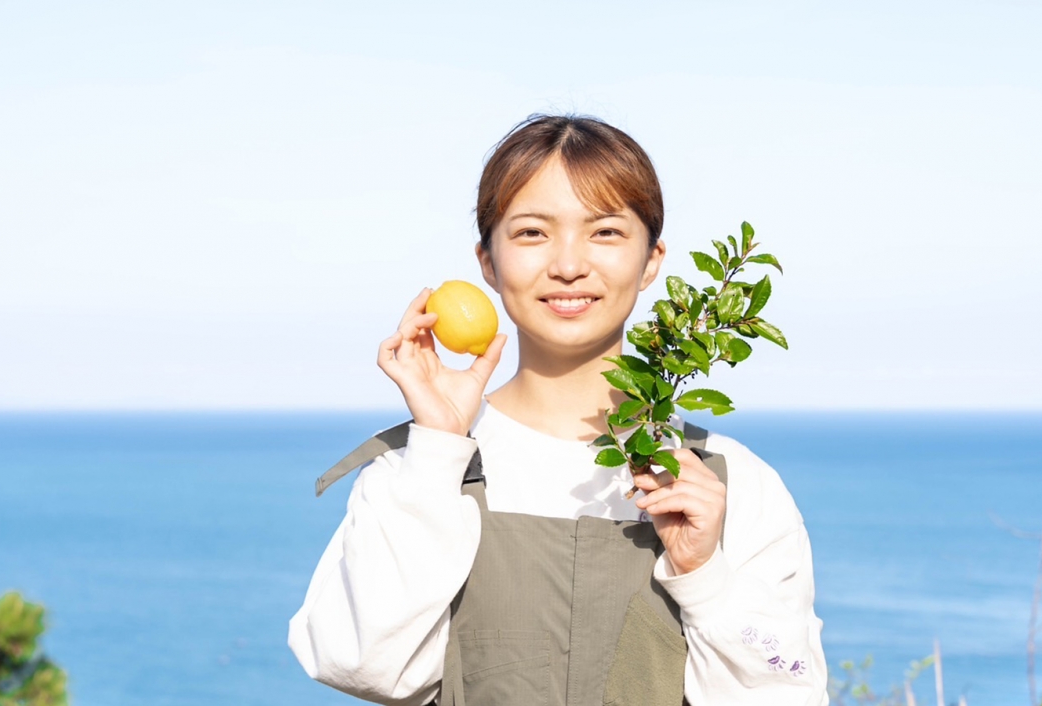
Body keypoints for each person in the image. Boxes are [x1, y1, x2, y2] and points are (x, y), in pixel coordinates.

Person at [288, 114, 828, 705]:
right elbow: (362, 667)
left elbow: (788, 692)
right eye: (531, 234)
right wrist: (440, 446)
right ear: (487, 262)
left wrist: (704, 576)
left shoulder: (724, 482)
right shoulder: (420, 468)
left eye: (605, 232)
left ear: (652, 260)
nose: (568, 265)